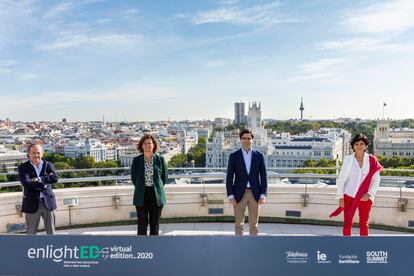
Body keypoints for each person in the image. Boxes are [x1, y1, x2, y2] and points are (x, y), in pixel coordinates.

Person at [330, 133, 382, 236]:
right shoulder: (348, 160)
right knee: (347, 223)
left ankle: (363, 247)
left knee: (364, 223)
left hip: (365, 197)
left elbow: (376, 180)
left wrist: (370, 194)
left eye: (362, 144)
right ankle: (347, 246)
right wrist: (341, 197)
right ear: (353, 146)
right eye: (356, 144)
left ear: (366, 146)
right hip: (349, 196)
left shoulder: (372, 160)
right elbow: (341, 179)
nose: (359, 146)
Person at [226, 129, 268, 236]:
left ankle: (252, 248)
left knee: (254, 225)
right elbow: (229, 177)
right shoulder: (234, 156)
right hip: (238, 194)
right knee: (238, 225)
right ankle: (239, 248)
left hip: (256, 195)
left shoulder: (259, 156)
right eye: (244, 138)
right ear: (240, 140)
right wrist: (230, 195)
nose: (246, 140)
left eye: (249, 138)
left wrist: (263, 194)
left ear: (252, 140)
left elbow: (263, 176)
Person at [131, 134, 168, 235]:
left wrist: (157, 187)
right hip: (141, 194)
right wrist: (141, 187)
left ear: (154, 145)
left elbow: (164, 178)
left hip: (156, 195)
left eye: (149, 143)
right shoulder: (137, 160)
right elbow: (134, 178)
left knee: (155, 225)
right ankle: (142, 248)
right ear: (141, 146)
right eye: (145, 143)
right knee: (142, 225)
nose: (147, 145)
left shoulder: (160, 159)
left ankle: (153, 248)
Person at [18, 144, 58, 234]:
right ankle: (32, 248)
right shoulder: (23, 167)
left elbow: (55, 178)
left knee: (51, 231)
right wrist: (45, 183)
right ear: (28, 154)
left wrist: (39, 179)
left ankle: (52, 248)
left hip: (48, 202)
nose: (36, 155)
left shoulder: (48, 165)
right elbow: (26, 184)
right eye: (34, 153)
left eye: (38, 153)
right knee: (31, 232)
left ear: (42, 154)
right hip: (32, 202)